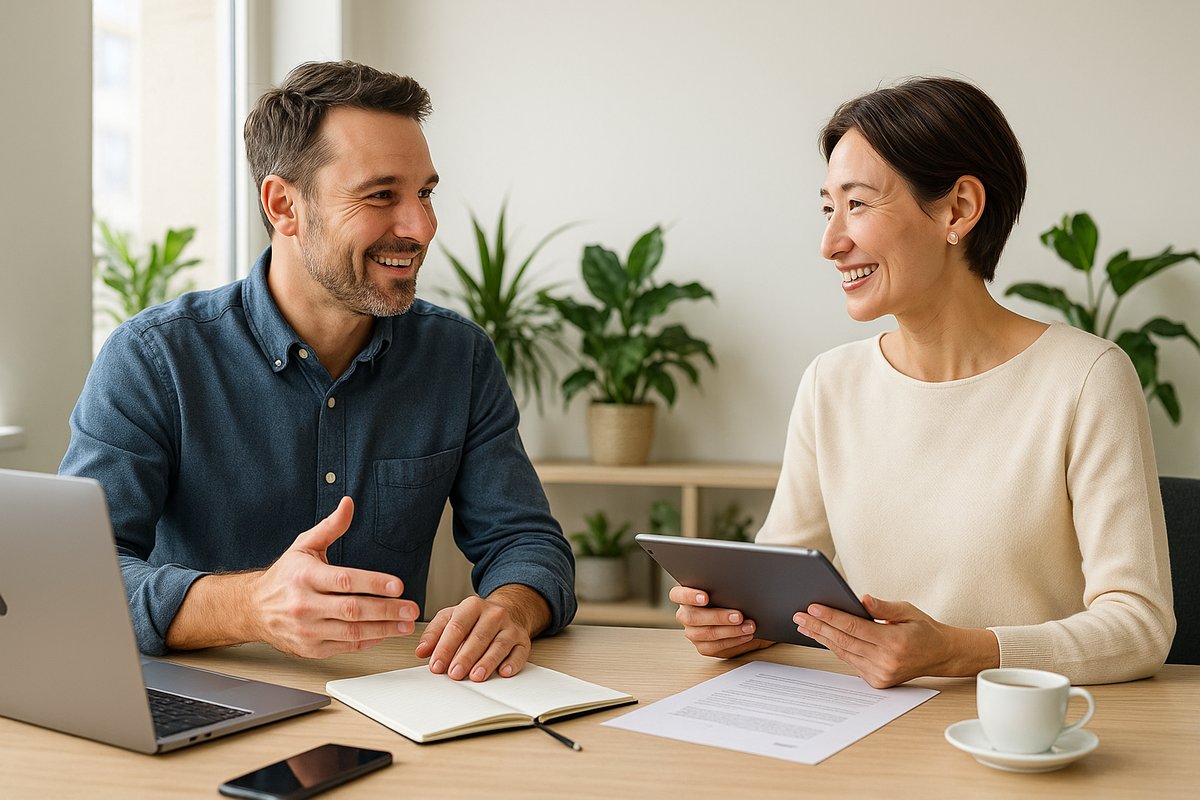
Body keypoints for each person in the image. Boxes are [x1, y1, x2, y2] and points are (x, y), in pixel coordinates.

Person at [60, 60, 575, 682]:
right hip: (205, 700)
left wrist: (510, 610)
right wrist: (251, 607)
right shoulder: (153, 358)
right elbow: (76, 575)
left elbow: (526, 543)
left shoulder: (457, 357)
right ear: (283, 205)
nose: (420, 227)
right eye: (382, 195)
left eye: (425, 193)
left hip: (395, 701)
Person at [672, 76, 1175, 687]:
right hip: (869, 731)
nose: (831, 242)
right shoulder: (832, 383)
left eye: (857, 204)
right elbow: (778, 584)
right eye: (828, 208)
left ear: (957, 209)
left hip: (1025, 741)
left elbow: (1139, 626)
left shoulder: (1086, 378)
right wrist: (734, 622)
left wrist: (960, 652)